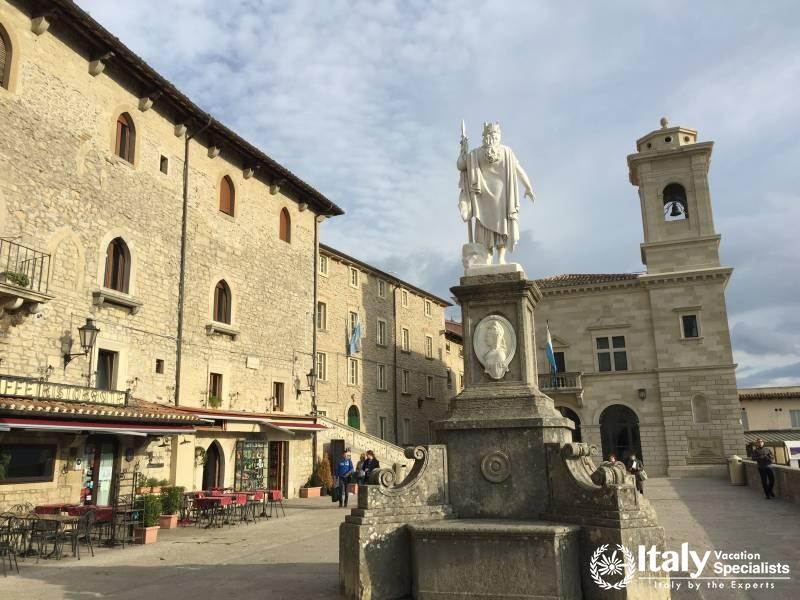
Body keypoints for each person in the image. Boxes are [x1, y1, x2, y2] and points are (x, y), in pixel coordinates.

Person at [457, 121, 535, 265]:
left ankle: (499, 258)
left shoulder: (505, 152)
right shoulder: (476, 153)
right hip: (483, 197)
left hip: (501, 196)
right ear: (486, 137)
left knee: (500, 226)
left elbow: (518, 169)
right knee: (487, 226)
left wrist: (528, 186)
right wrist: (463, 149)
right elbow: (462, 165)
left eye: (494, 134)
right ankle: (488, 258)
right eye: (491, 134)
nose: (492, 137)